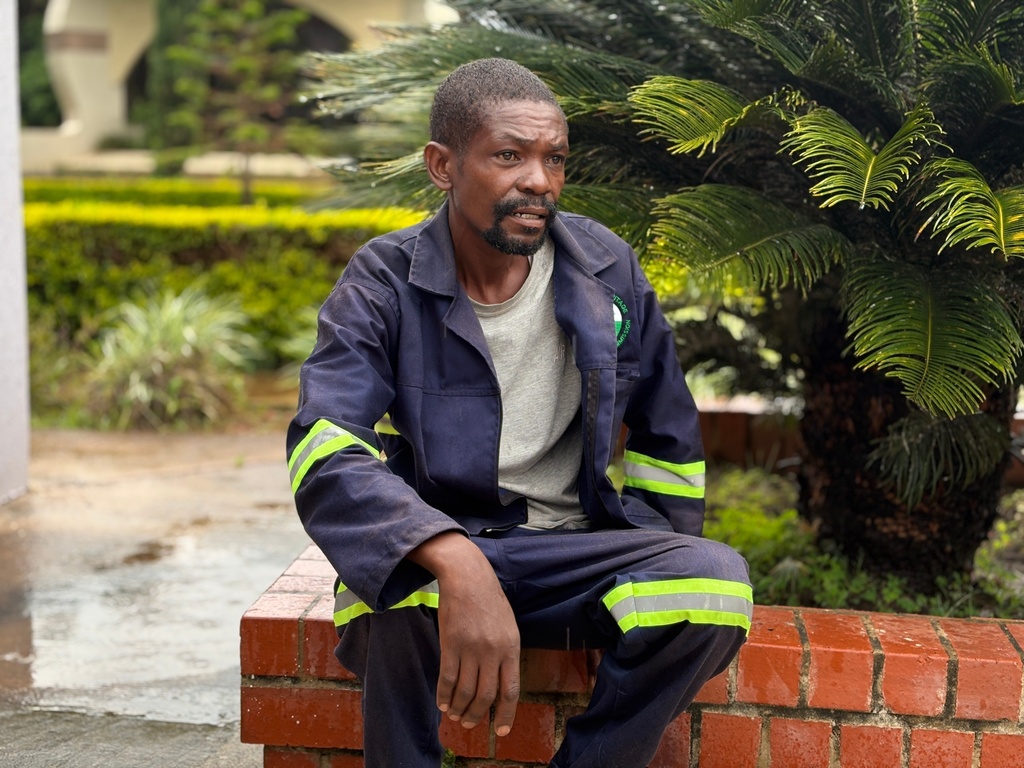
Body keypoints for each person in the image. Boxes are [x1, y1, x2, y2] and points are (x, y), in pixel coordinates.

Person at [287, 57, 752, 767]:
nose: (539, 179)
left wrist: (650, 559)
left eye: (554, 158)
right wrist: (452, 557)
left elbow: (669, 436)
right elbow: (325, 449)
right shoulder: (382, 281)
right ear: (443, 165)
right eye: (509, 155)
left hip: (577, 550)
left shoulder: (608, 270)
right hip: (437, 545)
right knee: (386, 600)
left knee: (711, 586)